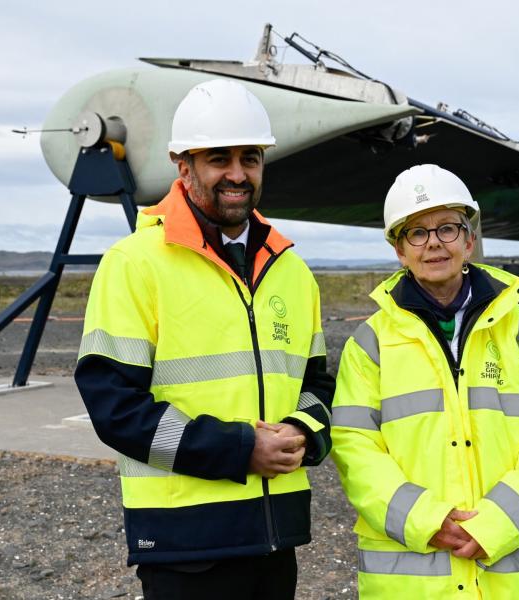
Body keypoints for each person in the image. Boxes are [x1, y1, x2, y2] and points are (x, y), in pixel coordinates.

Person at [74, 79, 334, 600]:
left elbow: (318, 384)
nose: (237, 174)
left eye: (251, 158)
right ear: (183, 165)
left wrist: (302, 436)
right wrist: (241, 450)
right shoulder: (134, 265)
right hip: (186, 546)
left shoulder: (292, 271)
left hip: (274, 537)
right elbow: (115, 407)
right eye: (219, 158)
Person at [330, 164, 519, 599]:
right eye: (416, 232)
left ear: (469, 241)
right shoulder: (369, 343)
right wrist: (424, 519)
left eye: (447, 228)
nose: (433, 243)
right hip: (412, 583)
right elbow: (354, 445)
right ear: (399, 250)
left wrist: (498, 522)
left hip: (513, 579)